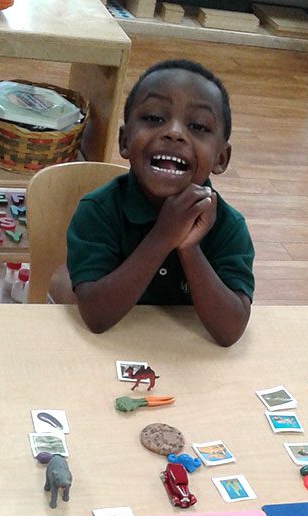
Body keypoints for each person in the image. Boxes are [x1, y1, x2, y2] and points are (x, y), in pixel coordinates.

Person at [65, 59, 254, 346]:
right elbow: (96, 316)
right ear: (125, 141)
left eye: (198, 126)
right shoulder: (98, 210)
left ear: (221, 158)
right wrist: (163, 236)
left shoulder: (228, 225)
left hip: (187, 363)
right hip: (106, 351)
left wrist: (189, 248)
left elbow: (230, 331)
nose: (174, 132)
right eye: (154, 118)